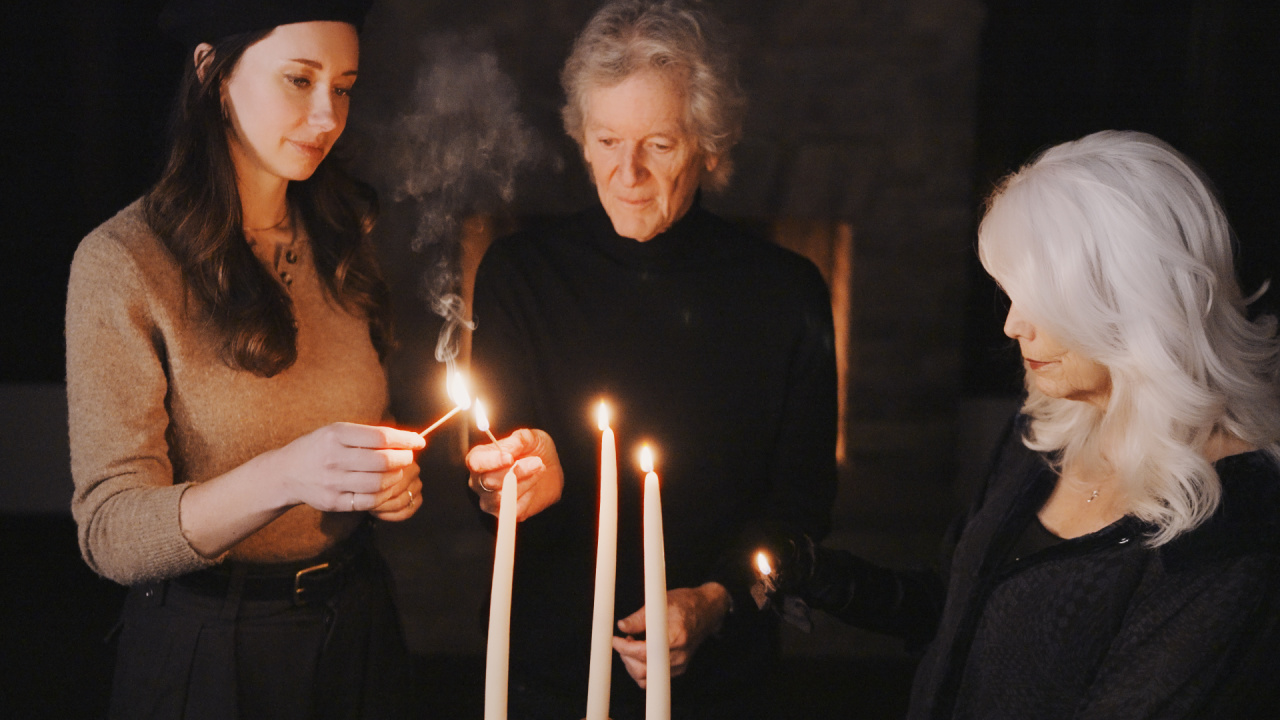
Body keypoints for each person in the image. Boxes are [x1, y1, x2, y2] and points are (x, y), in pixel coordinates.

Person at [762, 130, 1280, 718]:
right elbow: (959, 610)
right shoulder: (1045, 432)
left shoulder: (1232, 520)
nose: (1012, 326)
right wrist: (819, 575)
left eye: (1041, 301)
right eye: (1010, 295)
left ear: (1134, 300)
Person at [462, 1, 838, 718]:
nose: (627, 172)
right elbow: (492, 480)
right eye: (607, 140)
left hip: (722, 682)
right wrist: (506, 482)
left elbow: (803, 506)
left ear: (709, 146)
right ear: (580, 137)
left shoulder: (785, 292)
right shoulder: (519, 273)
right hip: (550, 672)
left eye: (659, 146)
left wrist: (718, 600)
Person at [64, 1, 427, 717]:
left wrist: (391, 481)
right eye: (299, 79)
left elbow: (367, 418)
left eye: (344, 86)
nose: (328, 116)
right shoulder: (123, 263)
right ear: (212, 73)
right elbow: (110, 533)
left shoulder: (342, 237)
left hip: (357, 627)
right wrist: (288, 473)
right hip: (210, 647)